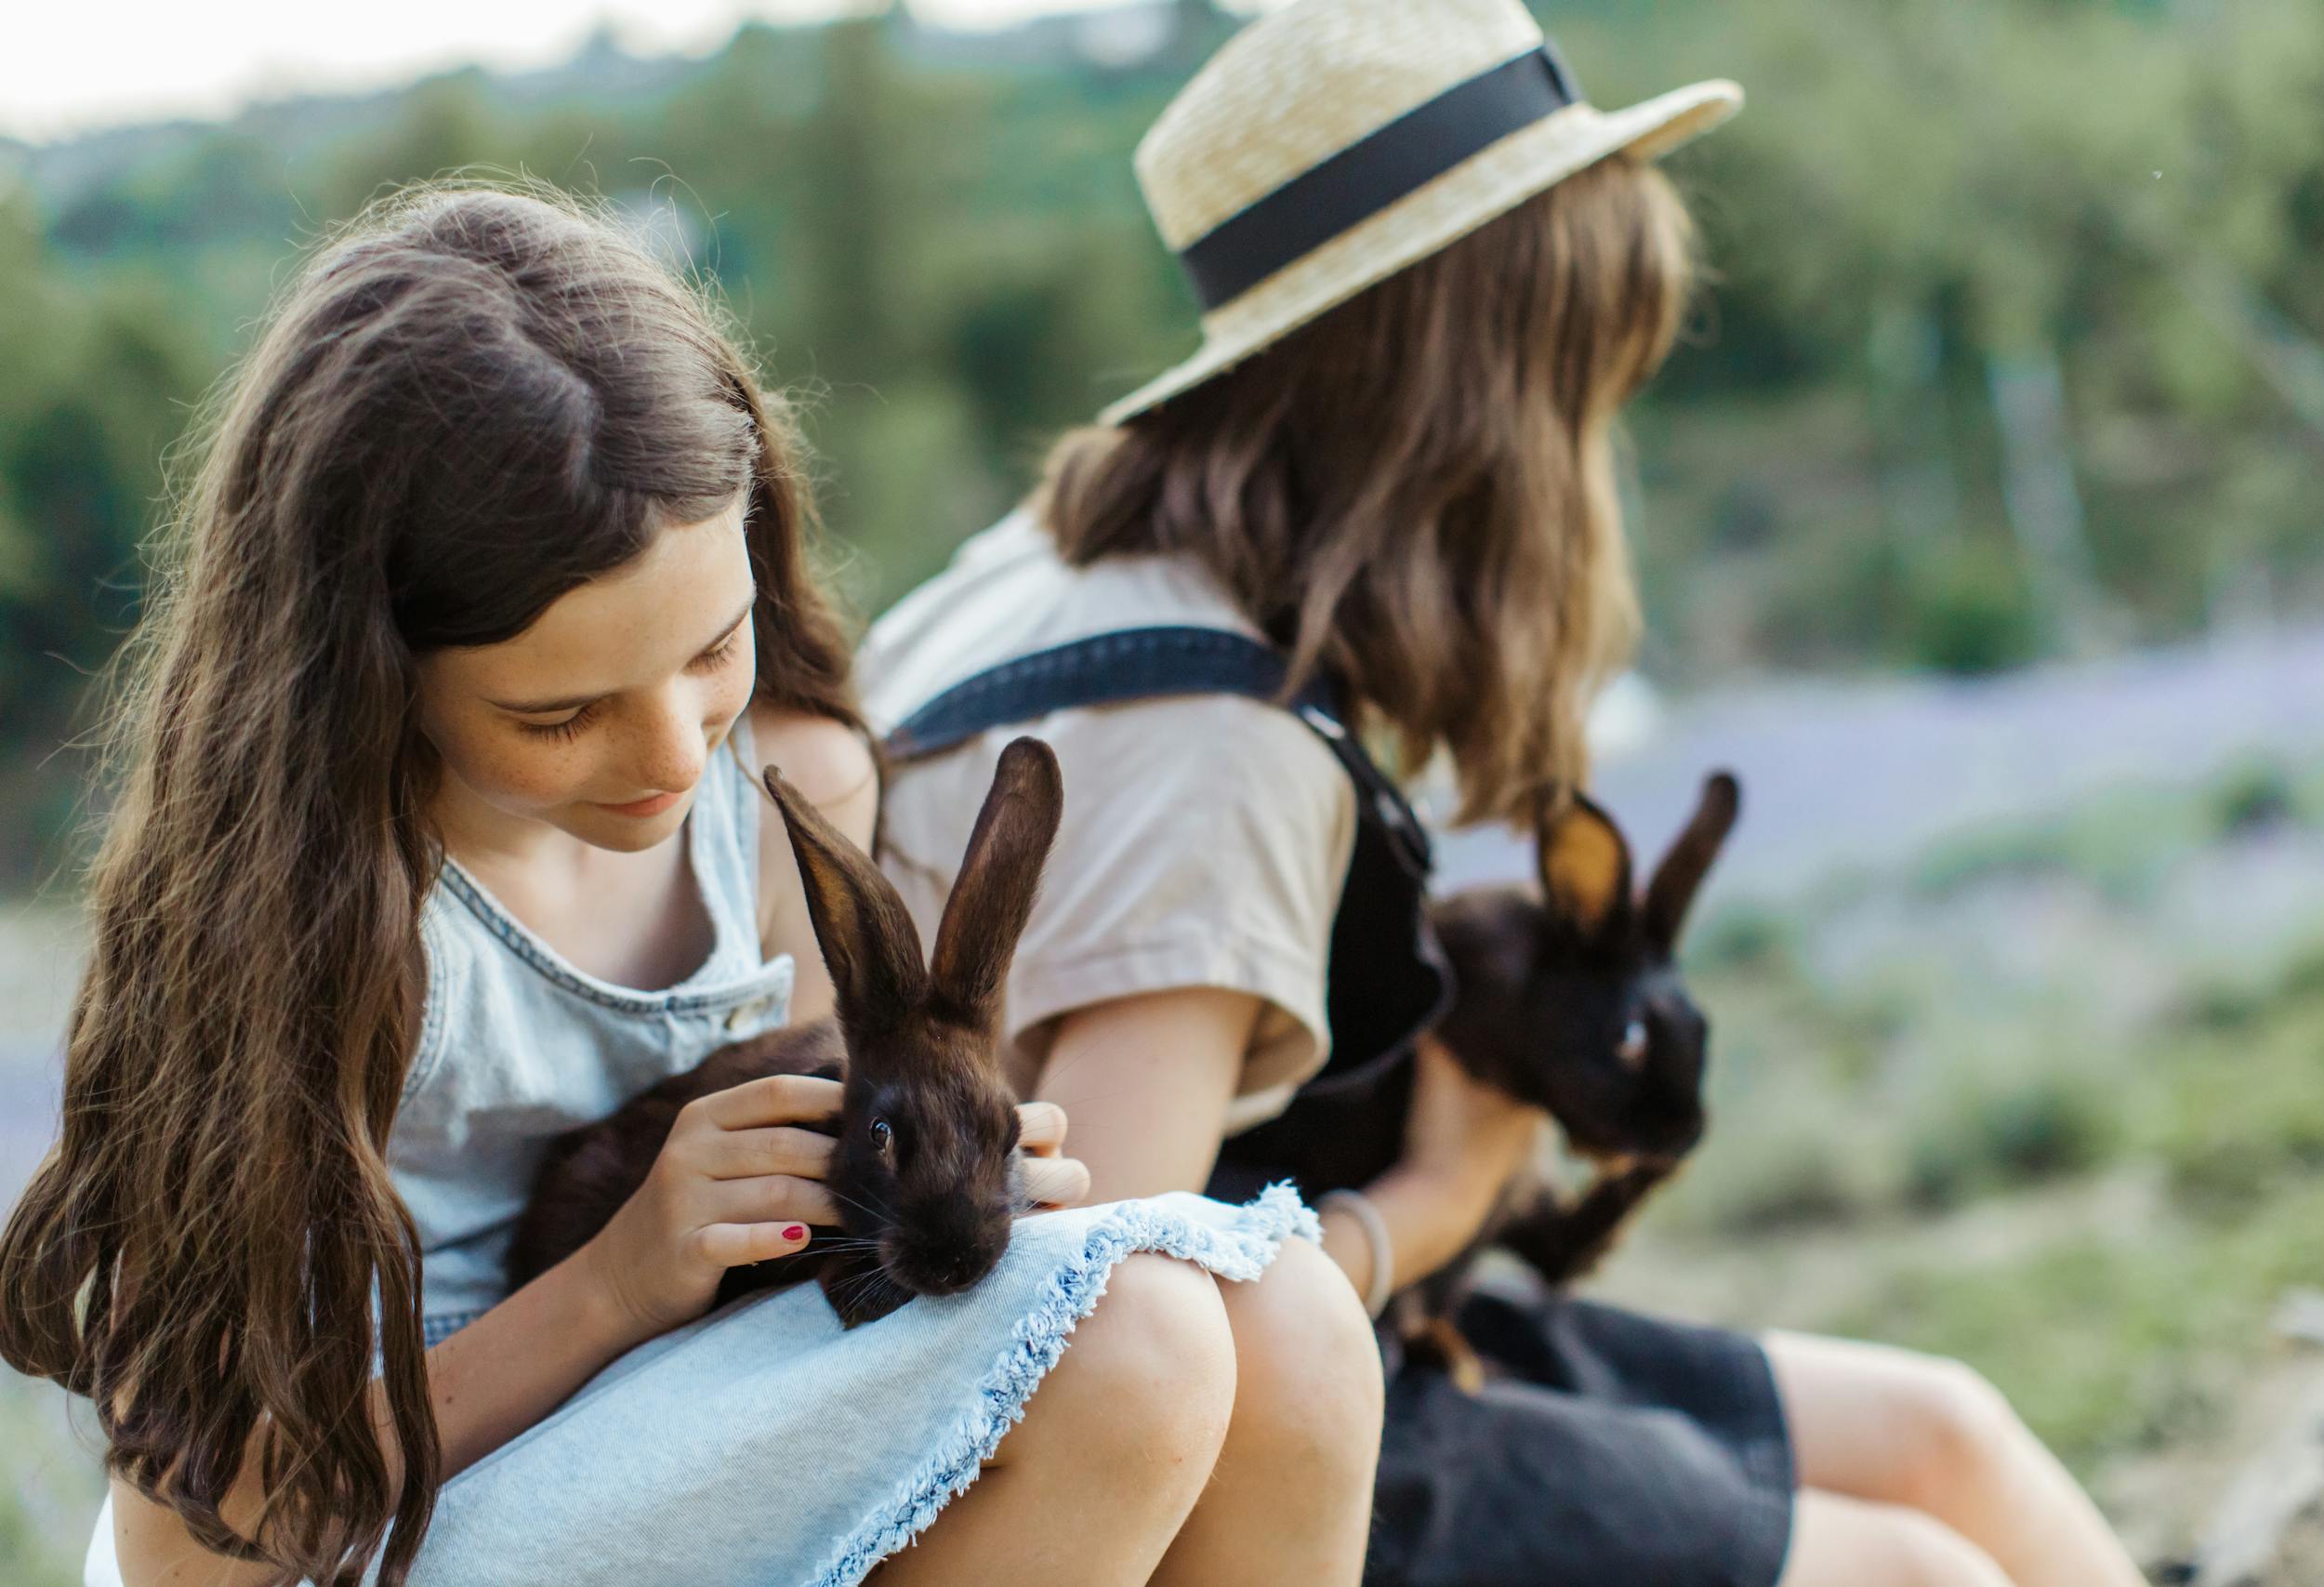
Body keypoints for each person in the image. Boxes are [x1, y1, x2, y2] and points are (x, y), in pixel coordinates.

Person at [859, 1, 2152, 1582]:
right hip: (1269, 1461)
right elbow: (1091, 1346)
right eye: (1583, 387)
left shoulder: (1053, 565)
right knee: (1914, 1572)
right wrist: (1443, 1188)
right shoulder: (1220, 745)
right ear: (1469, 409)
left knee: (1947, 1432)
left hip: (1356, 1329)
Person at [0, 179, 1384, 1587]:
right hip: (365, 1529)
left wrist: (959, 1183)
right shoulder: (309, 930)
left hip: (660, 1426)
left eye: (715, 649)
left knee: (1292, 1325)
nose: (672, 754)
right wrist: (618, 1283)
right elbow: (193, 1558)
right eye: (560, 716)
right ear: (369, 676)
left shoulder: (793, 793)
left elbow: (786, 1260)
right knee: (1130, 1347)